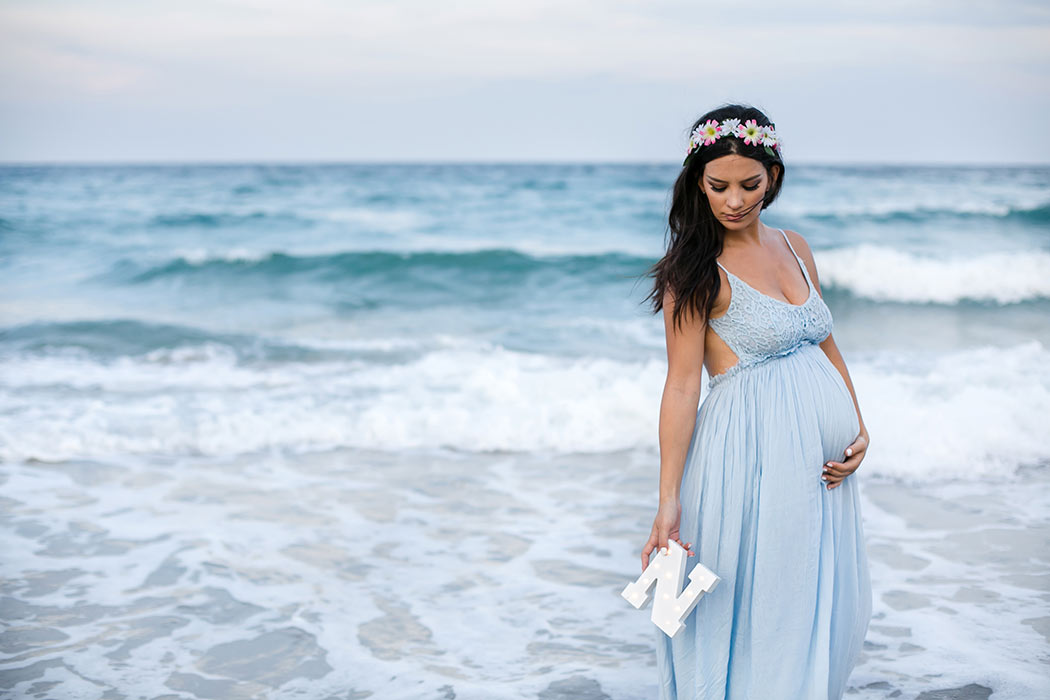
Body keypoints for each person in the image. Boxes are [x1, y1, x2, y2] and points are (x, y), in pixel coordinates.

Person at [639, 104, 873, 699]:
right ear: (698, 182)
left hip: (821, 473)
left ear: (773, 177)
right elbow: (682, 386)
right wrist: (667, 502)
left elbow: (825, 340)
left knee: (808, 599)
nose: (735, 200)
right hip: (750, 460)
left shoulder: (795, 246)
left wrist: (858, 426)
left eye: (751, 184)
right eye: (719, 186)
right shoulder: (694, 272)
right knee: (759, 602)